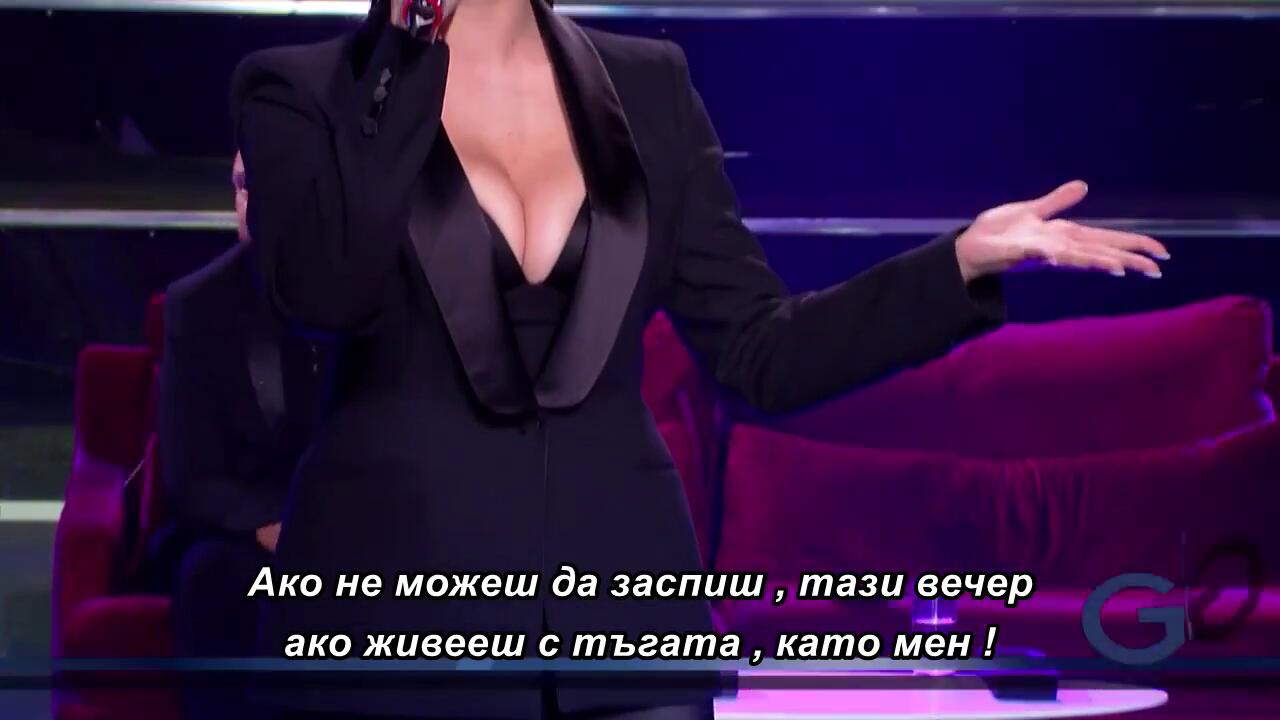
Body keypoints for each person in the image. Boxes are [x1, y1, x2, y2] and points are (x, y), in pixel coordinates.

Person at [230, 1, 1168, 718]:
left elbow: (763, 350)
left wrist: (957, 264)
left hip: (628, 631)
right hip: (391, 626)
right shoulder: (300, 90)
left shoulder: (649, 86)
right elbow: (322, 296)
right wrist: (404, 63)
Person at [147, 152, 340, 720]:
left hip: (348, 519)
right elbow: (189, 475)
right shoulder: (196, 306)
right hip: (242, 529)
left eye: (263, 185)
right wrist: (269, 526)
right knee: (212, 576)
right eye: (239, 186)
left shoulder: (374, 298)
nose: (247, 203)